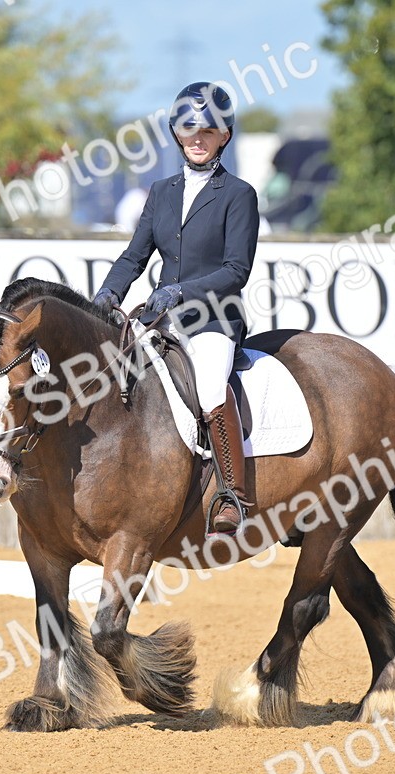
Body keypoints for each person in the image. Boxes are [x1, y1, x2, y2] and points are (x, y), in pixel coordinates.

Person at [92, 81, 259, 535]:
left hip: (213, 320)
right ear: (176, 133)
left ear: (225, 135)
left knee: (208, 387)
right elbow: (134, 256)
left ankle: (232, 495)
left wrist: (180, 291)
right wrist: (107, 293)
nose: (199, 138)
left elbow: (235, 270)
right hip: (160, 318)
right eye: (190, 130)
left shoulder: (238, 194)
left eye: (209, 130)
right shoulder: (161, 191)